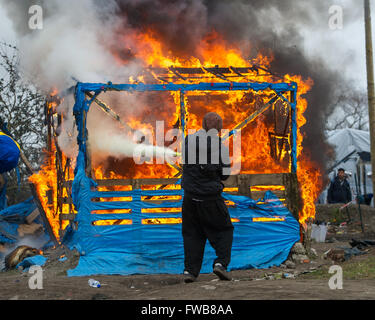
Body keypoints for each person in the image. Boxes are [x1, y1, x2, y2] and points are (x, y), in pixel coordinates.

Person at [181, 112, 234, 283]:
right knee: (225, 230)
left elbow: (185, 162)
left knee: (192, 235)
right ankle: (220, 264)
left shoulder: (188, 141)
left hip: (190, 199)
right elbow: (225, 175)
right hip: (210, 200)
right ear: (218, 129)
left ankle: (189, 272)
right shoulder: (220, 147)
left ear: (203, 125)